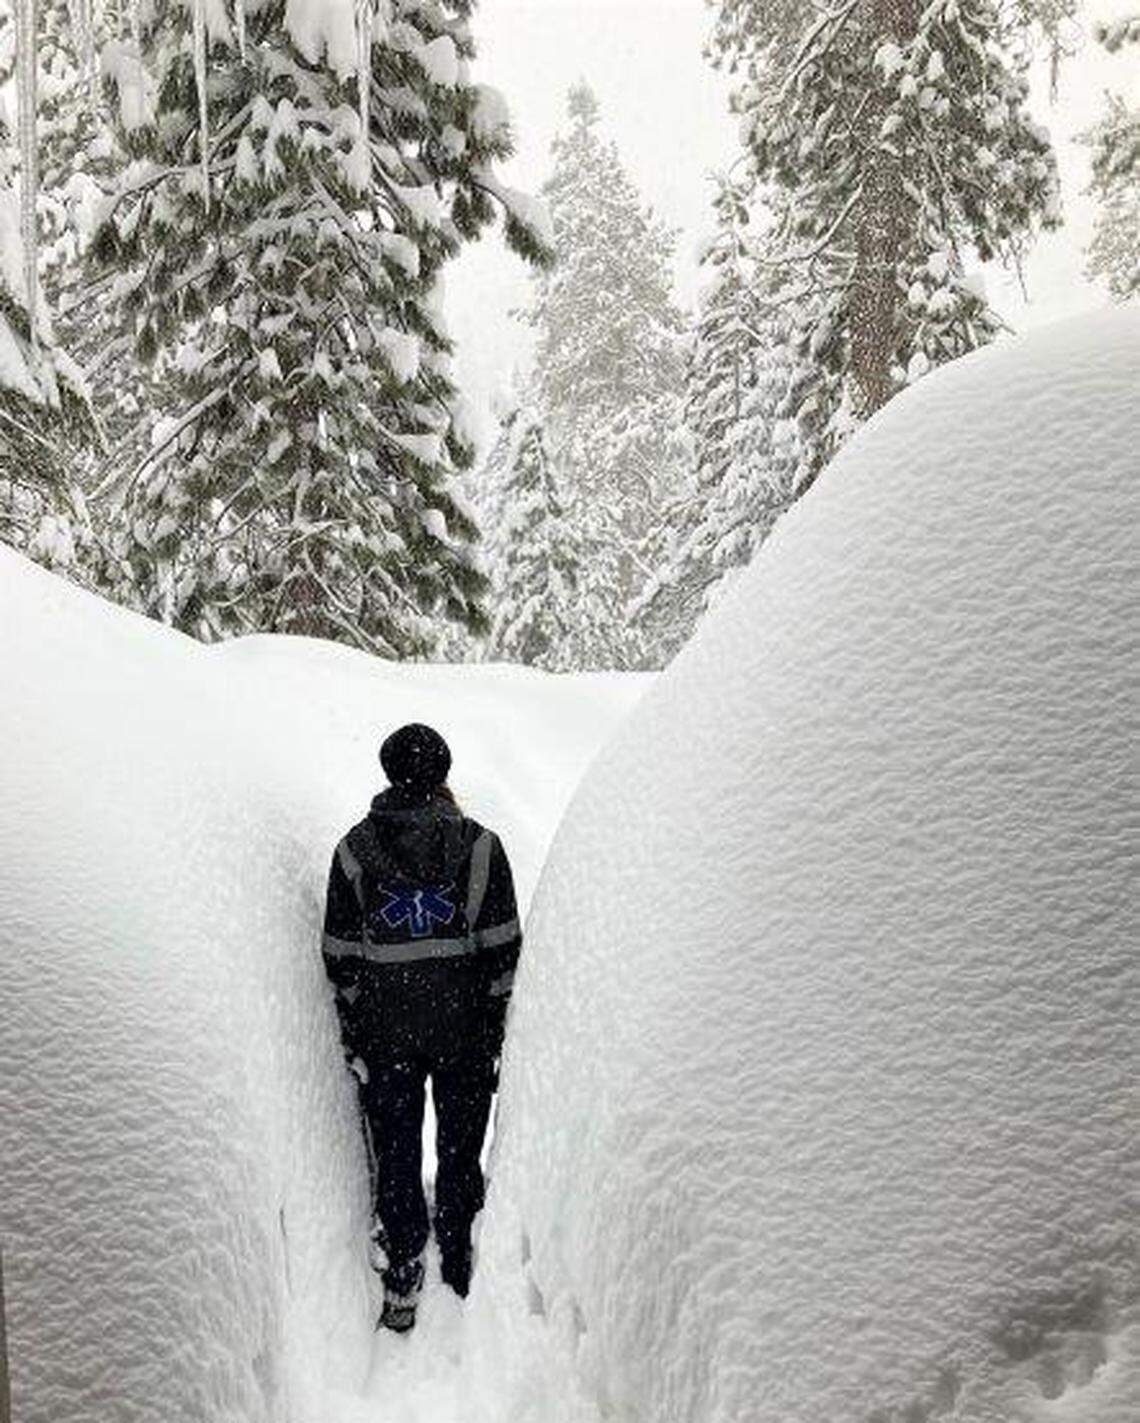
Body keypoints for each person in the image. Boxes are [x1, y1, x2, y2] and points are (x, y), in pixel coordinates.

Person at [321, 723, 521, 1333]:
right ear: (444, 773)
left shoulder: (354, 851)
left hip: (388, 1034)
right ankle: (459, 1255)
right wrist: (490, 1022)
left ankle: (404, 1265)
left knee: (398, 1147)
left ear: (388, 773)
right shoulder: (481, 847)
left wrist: (360, 1020)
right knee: (460, 1146)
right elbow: (503, 949)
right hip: (462, 1030)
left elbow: (340, 954)